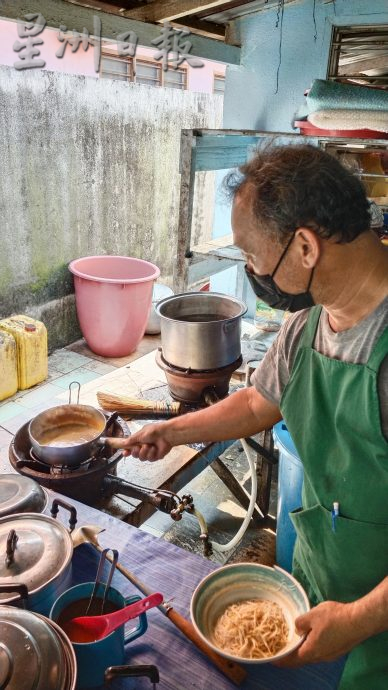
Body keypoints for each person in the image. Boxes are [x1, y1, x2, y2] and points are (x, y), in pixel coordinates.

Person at [108, 143, 388, 690]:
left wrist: (357, 621)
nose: (252, 271)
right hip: (316, 585)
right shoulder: (309, 324)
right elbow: (260, 402)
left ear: (305, 247)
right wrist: (171, 432)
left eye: (252, 256)